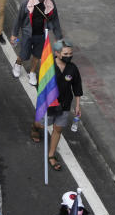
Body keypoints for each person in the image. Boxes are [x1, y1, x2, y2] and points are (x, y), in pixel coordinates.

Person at [30, 40, 81, 170]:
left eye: (70, 53)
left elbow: (77, 87)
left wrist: (77, 105)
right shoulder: (48, 66)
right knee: (41, 124)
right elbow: (41, 86)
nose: (68, 56)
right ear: (57, 53)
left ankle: (51, 155)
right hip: (49, 104)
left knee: (58, 129)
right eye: (65, 53)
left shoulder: (72, 68)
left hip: (64, 104)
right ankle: (35, 128)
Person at [10, 0, 63, 86]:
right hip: (27, 34)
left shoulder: (50, 4)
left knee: (37, 55)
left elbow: (55, 20)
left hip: (41, 35)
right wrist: (14, 34)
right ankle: (17, 65)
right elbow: (19, 19)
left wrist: (58, 37)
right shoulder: (27, 3)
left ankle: (32, 72)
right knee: (24, 53)